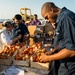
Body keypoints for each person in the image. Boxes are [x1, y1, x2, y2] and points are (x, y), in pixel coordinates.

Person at [40, 2, 75, 75]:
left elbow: (72, 50)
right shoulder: (61, 18)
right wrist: (54, 51)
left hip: (69, 65)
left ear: (51, 10)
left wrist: (48, 58)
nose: (48, 21)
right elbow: (64, 41)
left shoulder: (66, 18)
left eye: (47, 17)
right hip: (64, 62)